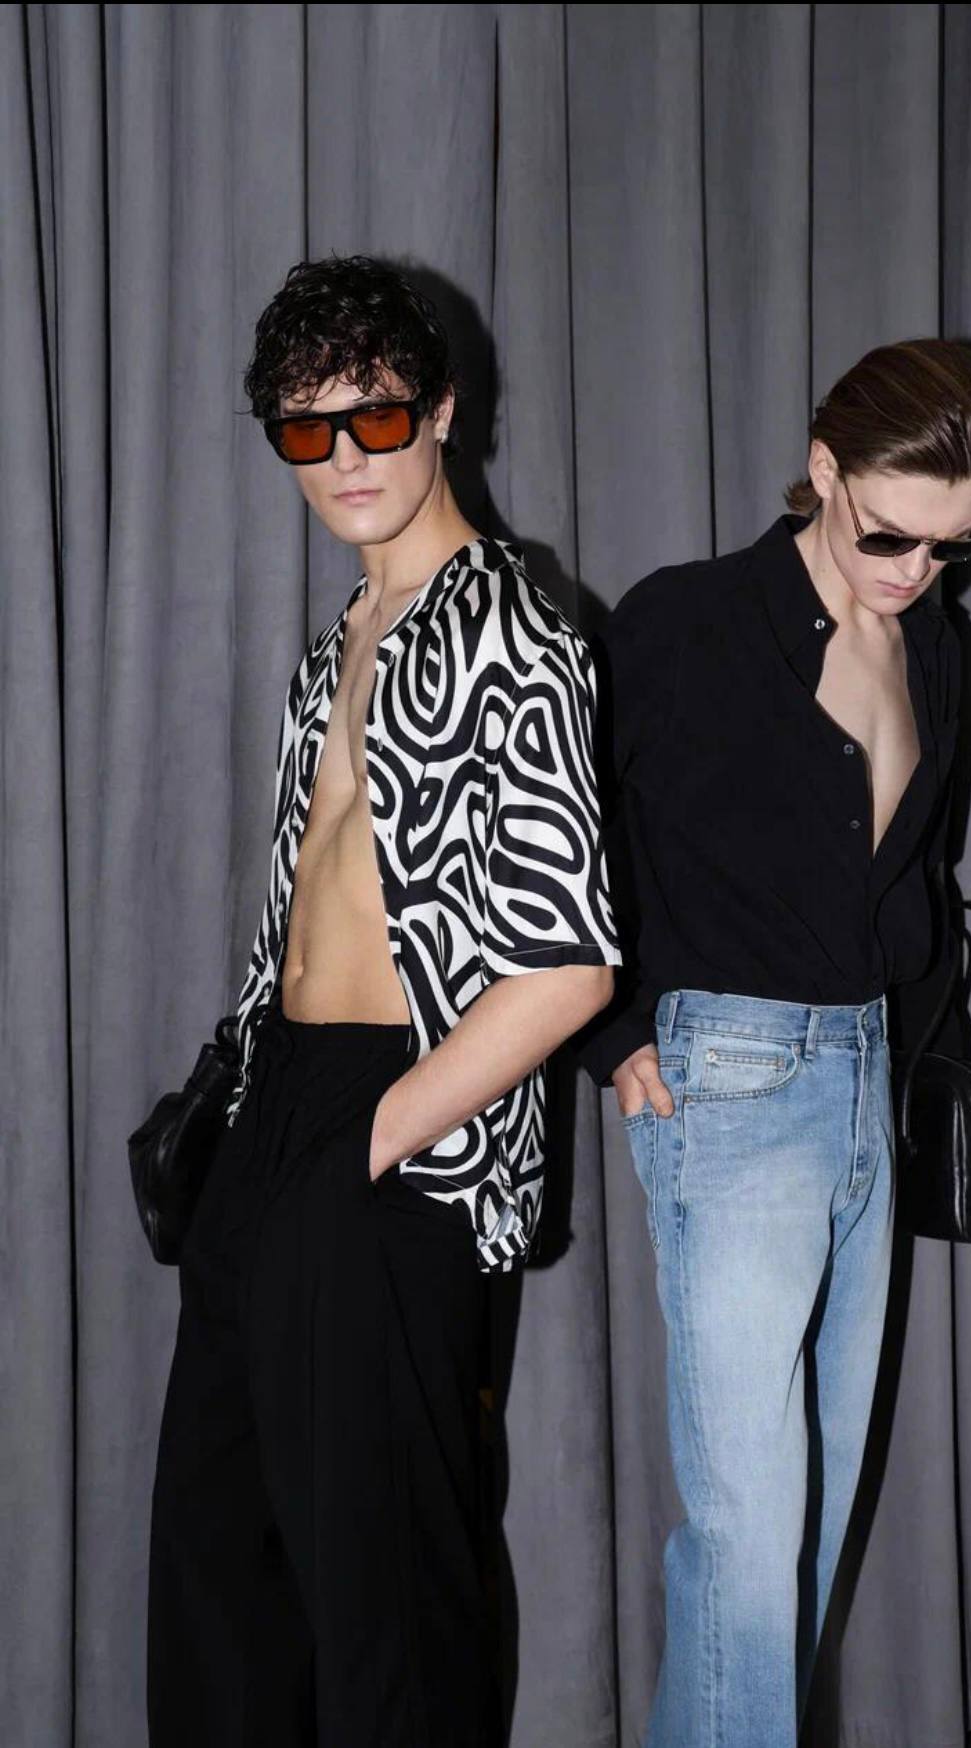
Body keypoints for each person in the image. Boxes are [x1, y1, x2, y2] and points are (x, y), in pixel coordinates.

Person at [147, 255, 619, 1747]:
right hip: (278, 1101)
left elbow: (568, 966)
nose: (344, 456)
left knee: (385, 1595)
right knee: (222, 1567)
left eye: (377, 416)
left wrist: (368, 1144)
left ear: (444, 414)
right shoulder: (343, 638)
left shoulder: (515, 631)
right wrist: (253, 1121)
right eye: (307, 427)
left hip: (400, 1126)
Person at [578, 339, 971, 1747]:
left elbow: (917, 872)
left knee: (809, 1528)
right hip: (731, 1079)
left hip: (868, 1081)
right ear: (823, 471)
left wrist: (920, 1046)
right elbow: (572, 833)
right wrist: (617, 1030)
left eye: (953, 545)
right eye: (890, 533)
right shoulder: (690, 621)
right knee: (748, 1541)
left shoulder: (937, 645)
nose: (916, 570)